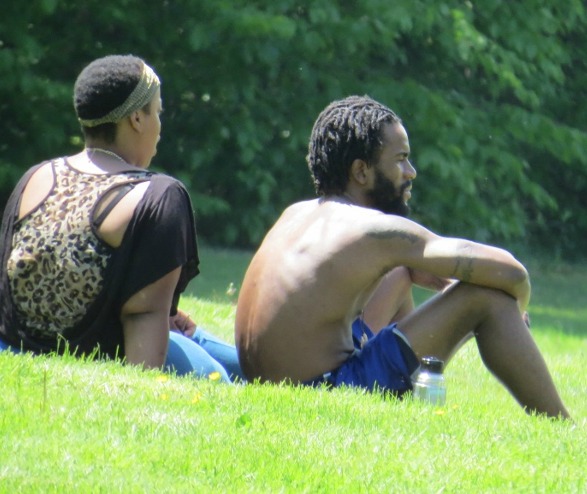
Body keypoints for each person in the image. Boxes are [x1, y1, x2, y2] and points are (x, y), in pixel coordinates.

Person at [235, 95, 570, 419]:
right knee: (487, 294)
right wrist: (515, 308)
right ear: (361, 171)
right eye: (400, 159)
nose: (411, 172)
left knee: (400, 272)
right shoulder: (373, 230)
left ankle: (409, 397)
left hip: (274, 386)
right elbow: (512, 273)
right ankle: (561, 427)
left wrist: (412, 269)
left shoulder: (295, 213)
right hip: (323, 395)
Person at [0, 54, 243, 382]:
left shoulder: (35, 177)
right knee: (224, 378)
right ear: (137, 120)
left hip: (17, 348)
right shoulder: (159, 197)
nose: (159, 125)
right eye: (157, 111)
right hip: (106, 350)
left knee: (227, 354)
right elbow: (144, 320)